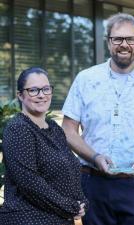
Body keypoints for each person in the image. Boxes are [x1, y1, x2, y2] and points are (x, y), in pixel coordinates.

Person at [62, 13, 134, 225]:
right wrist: (95, 156)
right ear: (108, 42)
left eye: (130, 39)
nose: (123, 44)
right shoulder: (86, 79)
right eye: (117, 39)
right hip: (94, 183)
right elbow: (69, 130)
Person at [0, 67, 88, 225]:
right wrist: (69, 206)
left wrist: (80, 202)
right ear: (20, 95)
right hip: (28, 219)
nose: (41, 95)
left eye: (46, 89)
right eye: (33, 90)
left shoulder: (54, 128)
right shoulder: (18, 129)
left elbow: (70, 169)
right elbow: (30, 183)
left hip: (60, 219)